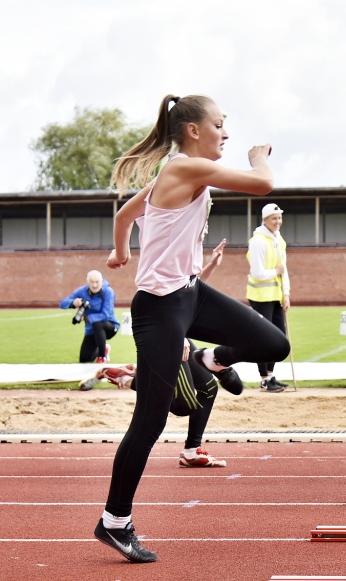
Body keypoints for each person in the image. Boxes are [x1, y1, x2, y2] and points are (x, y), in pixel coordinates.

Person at [96, 94, 290, 563]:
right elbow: (263, 185)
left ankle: (209, 359)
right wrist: (259, 158)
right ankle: (114, 521)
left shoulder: (178, 173)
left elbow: (125, 217)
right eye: (220, 125)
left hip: (190, 294)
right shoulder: (184, 168)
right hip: (159, 310)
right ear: (194, 131)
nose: (226, 133)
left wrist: (122, 251)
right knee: (152, 418)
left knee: (273, 343)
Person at [81, 239, 242, 468]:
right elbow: (163, 305)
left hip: (177, 336)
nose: (202, 230)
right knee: (183, 405)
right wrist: (179, 337)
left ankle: (191, 450)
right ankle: (129, 379)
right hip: (167, 338)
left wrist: (212, 264)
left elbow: (191, 291)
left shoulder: (184, 256)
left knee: (208, 388)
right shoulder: (168, 256)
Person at [246, 202, 291, 392]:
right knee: (262, 338)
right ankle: (264, 378)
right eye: (274, 218)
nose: (278, 221)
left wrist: (286, 293)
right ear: (265, 220)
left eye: (279, 217)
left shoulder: (279, 241)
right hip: (260, 296)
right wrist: (275, 271)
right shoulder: (257, 242)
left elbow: (284, 270)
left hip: (275, 296)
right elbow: (257, 273)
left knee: (279, 337)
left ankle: (271, 375)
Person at [60, 271, 120, 362]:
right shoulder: (82, 291)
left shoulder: (108, 292)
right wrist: (73, 302)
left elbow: (105, 315)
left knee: (97, 324)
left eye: (97, 282)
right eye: (92, 282)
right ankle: (104, 349)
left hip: (109, 326)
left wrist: (86, 318)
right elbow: (62, 303)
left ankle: (102, 357)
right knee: (84, 360)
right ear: (87, 281)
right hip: (91, 329)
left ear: (102, 281)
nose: (95, 285)